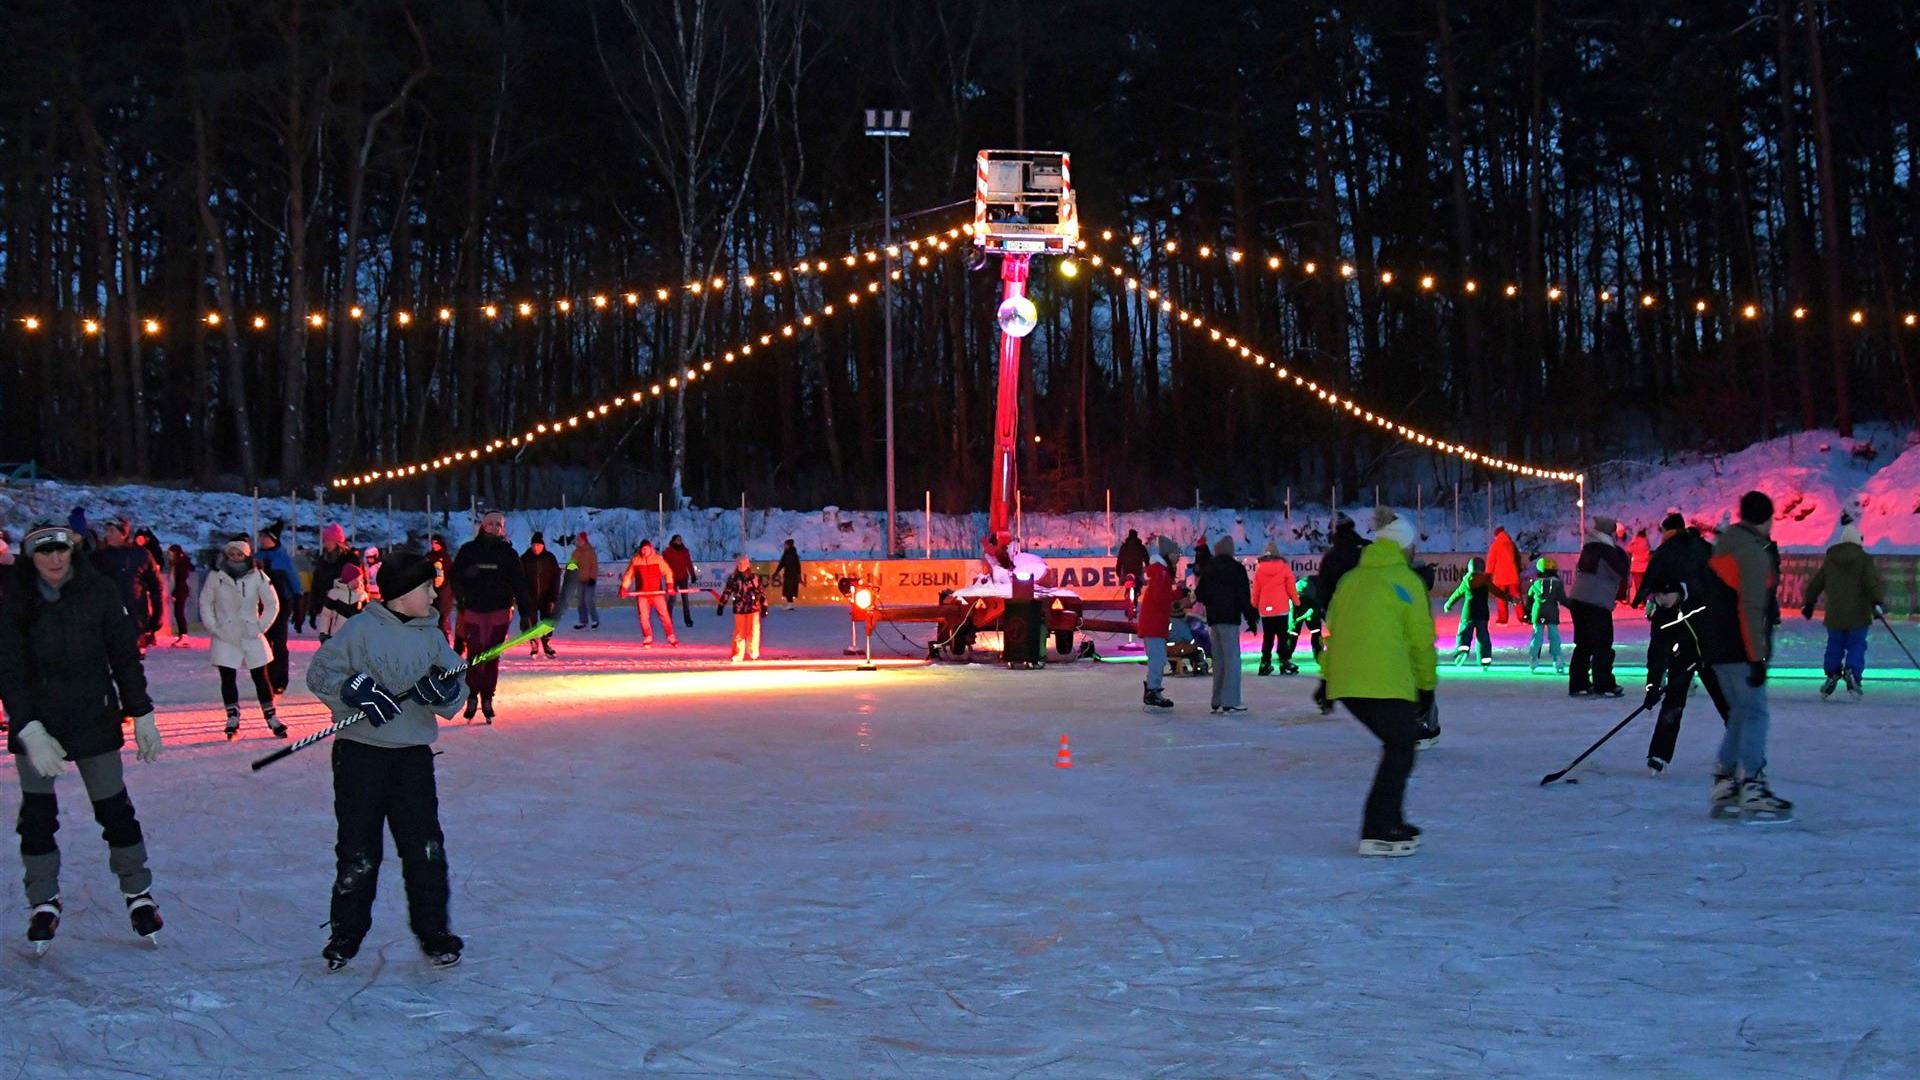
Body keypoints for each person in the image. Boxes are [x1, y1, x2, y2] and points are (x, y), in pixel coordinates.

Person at [0, 523, 166, 950]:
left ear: (73, 552)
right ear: (30, 557)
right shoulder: (16, 599)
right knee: (37, 816)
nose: (54, 561)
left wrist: (141, 711)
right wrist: (27, 727)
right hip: (39, 722)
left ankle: (137, 892)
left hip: (93, 715)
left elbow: (124, 656)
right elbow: (9, 669)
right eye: (44, 553)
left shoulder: (99, 592)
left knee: (114, 809)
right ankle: (43, 901)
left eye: (61, 552)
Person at [306, 552, 468, 971]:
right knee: (359, 850)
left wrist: (443, 692)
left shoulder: (432, 636)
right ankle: (346, 932)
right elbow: (319, 672)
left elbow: (458, 685)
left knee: (425, 848)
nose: (435, 592)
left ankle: (434, 931)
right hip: (360, 755)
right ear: (401, 594)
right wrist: (351, 688)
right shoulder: (359, 630)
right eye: (427, 587)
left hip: (412, 757)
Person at [1320, 511, 1436, 857]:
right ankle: (1377, 828)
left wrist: (1326, 680)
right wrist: (1426, 687)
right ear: (1402, 545)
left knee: (1398, 746)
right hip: (1384, 681)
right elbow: (1421, 641)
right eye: (1412, 544)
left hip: (1348, 682)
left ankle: (1390, 819)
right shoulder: (1407, 581)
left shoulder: (1352, 579)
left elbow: (1333, 633)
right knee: (1401, 748)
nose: (1414, 550)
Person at [1701, 491, 1791, 823]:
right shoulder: (1751, 553)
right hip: (1740, 647)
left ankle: (1725, 780)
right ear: (1766, 519)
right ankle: (1753, 783)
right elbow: (1751, 608)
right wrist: (1757, 657)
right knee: (1756, 713)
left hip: (1718, 646)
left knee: (1742, 711)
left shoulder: (1725, 545)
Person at [1633, 512, 1731, 776]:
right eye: (1658, 599)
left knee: (1728, 703)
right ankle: (1658, 755)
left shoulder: (1705, 601)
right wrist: (1652, 685)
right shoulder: (1664, 615)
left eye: (1666, 598)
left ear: (1679, 591)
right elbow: (1657, 650)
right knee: (1673, 702)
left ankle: (1747, 751)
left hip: (1712, 651)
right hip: (1685, 653)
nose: (1662, 604)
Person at [199, 538, 287, 739]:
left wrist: (259, 626)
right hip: (226, 634)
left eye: (239, 554)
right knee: (228, 677)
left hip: (250, 632)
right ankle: (232, 715)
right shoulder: (216, 576)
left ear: (247, 556)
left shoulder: (258, 576)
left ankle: (270, 715)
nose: (235, 558)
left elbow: (272, 604)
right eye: (232, 554)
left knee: (261, 676)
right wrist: (215, 628)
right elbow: (205, 603)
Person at [452, 511, 533, 722]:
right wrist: (462, 594)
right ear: (483, 526)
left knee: (491, 656)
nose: (495, 527)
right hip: (474, 610)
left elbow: (520, 585)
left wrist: (526, 614)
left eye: (499, 524)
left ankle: (487, 696)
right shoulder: (469, 551)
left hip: (499, 611)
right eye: (491, 523)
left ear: (503, 528)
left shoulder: (508, 553)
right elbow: (455, 577)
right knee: (475, 654)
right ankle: (472, 694)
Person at [1801, 515, 1884, 701]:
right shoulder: (1864, 560)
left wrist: (1809, 602)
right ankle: (1852, 672)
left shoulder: (1831, 559)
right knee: (1856, 645)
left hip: (1835, 615)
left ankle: (1832, 673)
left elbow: (1817, 582)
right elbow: (1871, 584)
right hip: (1858, 615)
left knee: (1835, 645)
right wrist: (1878, 602)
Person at [1567, 514, 1630, 697]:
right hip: (1596, 600)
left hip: (1579, 599)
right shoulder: (1608, 550)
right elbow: (1621, 570)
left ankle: (1578, 683)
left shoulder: (1589, 546)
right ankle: (1604, 683)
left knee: (1584, 643)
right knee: (1602, 644)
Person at [1194, 536, 1257, 714]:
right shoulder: (1236, 569)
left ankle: (1217, 699)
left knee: (1219, 660)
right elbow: (1243, 595)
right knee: (1232, 661)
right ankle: (1231, 700)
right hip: (1230, 619)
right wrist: (1251, 619)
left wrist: (1212, 603)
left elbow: (1200, 593)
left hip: (1214, 620)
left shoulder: (1210, 568)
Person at [90, 517, 161, 656]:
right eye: (107, 531)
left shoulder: (141, 555)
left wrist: (157, 614)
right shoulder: (99, 557)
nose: (107, 534)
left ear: (123, 534)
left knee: (130, 662)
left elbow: (155, 586)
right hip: (108, 616)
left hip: (135, 617)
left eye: (112, 531)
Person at [255, 521, 303, 694]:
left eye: (264, 537)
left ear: (272, 539)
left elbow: (295, 584)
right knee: (263, 644)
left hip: (282, 605)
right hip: (261, 606)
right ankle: (266, 680)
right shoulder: (257, 557)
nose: (260, 539)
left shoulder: (283, 558)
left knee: (279, 644)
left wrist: (298, 607)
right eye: (260, 536)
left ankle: (280, 680)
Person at [1136, 536, 1182, 709]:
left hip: (1156, 623)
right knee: (1158, 659)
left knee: (1159, 659)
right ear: (1168, 554)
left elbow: (1161, 597)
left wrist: (1178, 593)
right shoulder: (1161, 573)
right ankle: (1152, 691)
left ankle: (1153, 690)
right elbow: (1159, 598)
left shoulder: (1161, 572)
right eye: (1177, 553)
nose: (1178, 557)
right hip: (1153, 624)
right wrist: (1178, 594)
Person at [1444, 557, 1513, 668]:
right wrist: (1510, 598)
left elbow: (1457, 594)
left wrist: (1448, 604)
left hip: (1468, 613)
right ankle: (1484, 660)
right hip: (1482, 613)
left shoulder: (1466, 581)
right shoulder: (1486, 581)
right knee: (1483, 637)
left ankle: (1462, 649)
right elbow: (1497, 592)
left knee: (1464, 633)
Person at [1311, 512, 1364, 632]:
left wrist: (1325, 611)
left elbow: (1323, 589)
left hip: (1341, 612)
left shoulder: (1331, 557)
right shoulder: (1367, 549)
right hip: (1368, 609)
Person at [619, 541, 679, 647]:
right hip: (642, 594)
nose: (644, 551)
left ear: (651, 548)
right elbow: (629, 575)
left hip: (657, 593)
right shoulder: (636, 560)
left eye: (646, 548)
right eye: (642, 549)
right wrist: (624, 587)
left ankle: (670, 635)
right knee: (643, 617)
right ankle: (648, 636)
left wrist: (669, 585)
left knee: (665, 615)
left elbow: (667, 572)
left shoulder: (658, 559)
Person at [1252, 542, 1299, 676]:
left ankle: (1265, 662)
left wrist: (1254, 606)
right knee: (1282, 636)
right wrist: (1296, 602)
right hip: (1281, 608)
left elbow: (1256, 591)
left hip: (1266, 611)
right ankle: (1285, 662)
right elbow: (1291, 587)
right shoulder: (1284, 568)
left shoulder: (1260, 570)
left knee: (1268, 637)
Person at [308, 524, 362, 635]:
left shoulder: (351, 560)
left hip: (346, 610)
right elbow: (316, 585)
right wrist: (313, 609)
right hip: (327, 609)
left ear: (337, 542)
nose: (325, 544)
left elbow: (358, 585)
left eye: (328, 541)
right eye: (325, 541)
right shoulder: (323, 560)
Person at [715, 554, 767, 662]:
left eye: (743, 563)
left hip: (753, 608)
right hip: (739, 608)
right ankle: (737, 654)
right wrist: (721, 605)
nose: (741, 565)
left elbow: (760, 592)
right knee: (739, 632)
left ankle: (753, 651)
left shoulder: (753, 577)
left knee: (753, 630)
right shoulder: (733, 578)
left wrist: (764, 606)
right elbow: (727, 591)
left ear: (748, 564)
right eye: (739, 563)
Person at [520, 532, 562, 658]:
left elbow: (556, 578)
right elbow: (519, 579)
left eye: (538, 545)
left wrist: (554, 596)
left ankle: (546, 643)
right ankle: (533, 643)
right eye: (534, 545)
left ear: (543, 546)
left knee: (547, 621)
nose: (536, 547)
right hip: (530, 597)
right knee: (530, 621)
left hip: (546, 596)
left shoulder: (550, 558)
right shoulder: (524, 558)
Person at [1526, 557, 1567, 674]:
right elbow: (1562, 599)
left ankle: (1533, 658)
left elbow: (1529, 599)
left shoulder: (1535, 583)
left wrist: (1527, 613)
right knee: (1554, 636)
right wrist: (1573, 606)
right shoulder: (1557, 584)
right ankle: (1557, 658)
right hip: (1551, 614)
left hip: (1538, 613)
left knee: (1537, 635)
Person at [315, 562, 369, 642]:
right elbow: (326, 615)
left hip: (357, 636)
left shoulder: (362, 596)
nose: (360, 582)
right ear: (350, 579)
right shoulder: (334, 594)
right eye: (358, 579)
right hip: (337, 635)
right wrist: (324, 632)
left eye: (361, 579)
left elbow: (367, 617)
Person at [132, 528, 166, 646]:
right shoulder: (134, 551)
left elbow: (159, 562)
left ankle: (151, 632)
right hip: (139, 585)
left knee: (151, 608)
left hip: (150, 581)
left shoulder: (152, 550)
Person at [1485, 525, 1522, 624]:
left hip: (1500, 577)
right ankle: (1522, 617)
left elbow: (1491, 561)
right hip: (1513, 575)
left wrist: (1488, 574)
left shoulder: (1495, 545)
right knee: (1516, 596)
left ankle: (1503, 619)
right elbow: (1518, 558)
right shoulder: (1511, 544)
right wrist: (1519, 569)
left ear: (1496, 535)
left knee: (1501, 597)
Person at [663, 535, 699, 629]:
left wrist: (693, 575)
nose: (679, 541)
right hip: (673, 579)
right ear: (673, 541)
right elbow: (663, 565)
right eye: (677, 540)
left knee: (685, 599)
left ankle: (687, 619)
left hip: (683, 578)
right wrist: (666, 576)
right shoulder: (668, 552)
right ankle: (668, 619)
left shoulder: (685, 551)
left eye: (680, 539)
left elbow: (688, 563)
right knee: (672, 599)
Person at [426, 536, 456, 642]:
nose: (434, 545)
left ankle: (443, 640)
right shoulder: (429, 557)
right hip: (431, 591)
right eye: (432, 543)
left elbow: (451, 573)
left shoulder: (445, 557)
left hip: (444, 592)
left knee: (442, 618)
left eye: (436, 543)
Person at [567, 532, 600, 630]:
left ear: (585, 540)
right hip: (579, 580)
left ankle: (595, 620)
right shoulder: (575, 552)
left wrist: (592, 578)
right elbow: (571, 564)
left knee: (588, 600)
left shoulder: (590, 551)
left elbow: (594, 565)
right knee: (580, 602)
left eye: (580, 539)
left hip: (590, 580)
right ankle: (583, 621)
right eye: (577, 540)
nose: (578, 541)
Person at [165, 544, 193, 645]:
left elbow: (180, 580)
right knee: (178, 613)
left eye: (171, 553)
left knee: (179, 613)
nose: (169, 555)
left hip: (181, 591)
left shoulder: (181, 564)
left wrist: (174, 594)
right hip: (180, 590)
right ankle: (182, 636)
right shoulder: (176, 563)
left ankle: (184, 636)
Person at [1115, 529, 1149, 604]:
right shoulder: (1141, 546)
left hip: (1126, 572)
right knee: (1139, 584)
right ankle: (1136, 594)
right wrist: (1148, 568)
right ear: (1136, 536)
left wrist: (1118, 571)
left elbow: (1119, 560)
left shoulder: (1124, 547)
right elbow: (1146, 558)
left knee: (1127, 585)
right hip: (1137, 572)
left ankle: (1127, 595)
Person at [773, 540, 803, 611]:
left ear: (789, 545)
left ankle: (790, 604)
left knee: (789, 590)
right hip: (792, 574)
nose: (784, 546)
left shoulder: (788, 554)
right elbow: (797, 566)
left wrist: (776, 572)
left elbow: (782, 564)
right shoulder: (793, 554)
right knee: (790, 590)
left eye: (785, 545)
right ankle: (790, 604)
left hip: (790, 574)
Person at [1627, 528, 1652, 602]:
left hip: (1636, 567)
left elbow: (1629, 549)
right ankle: (1646, 600)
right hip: (1645, 566)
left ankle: (1640, 601)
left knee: (1638, 586)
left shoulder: (1635, 542)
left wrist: (1633, 540)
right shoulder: (1647, 542)